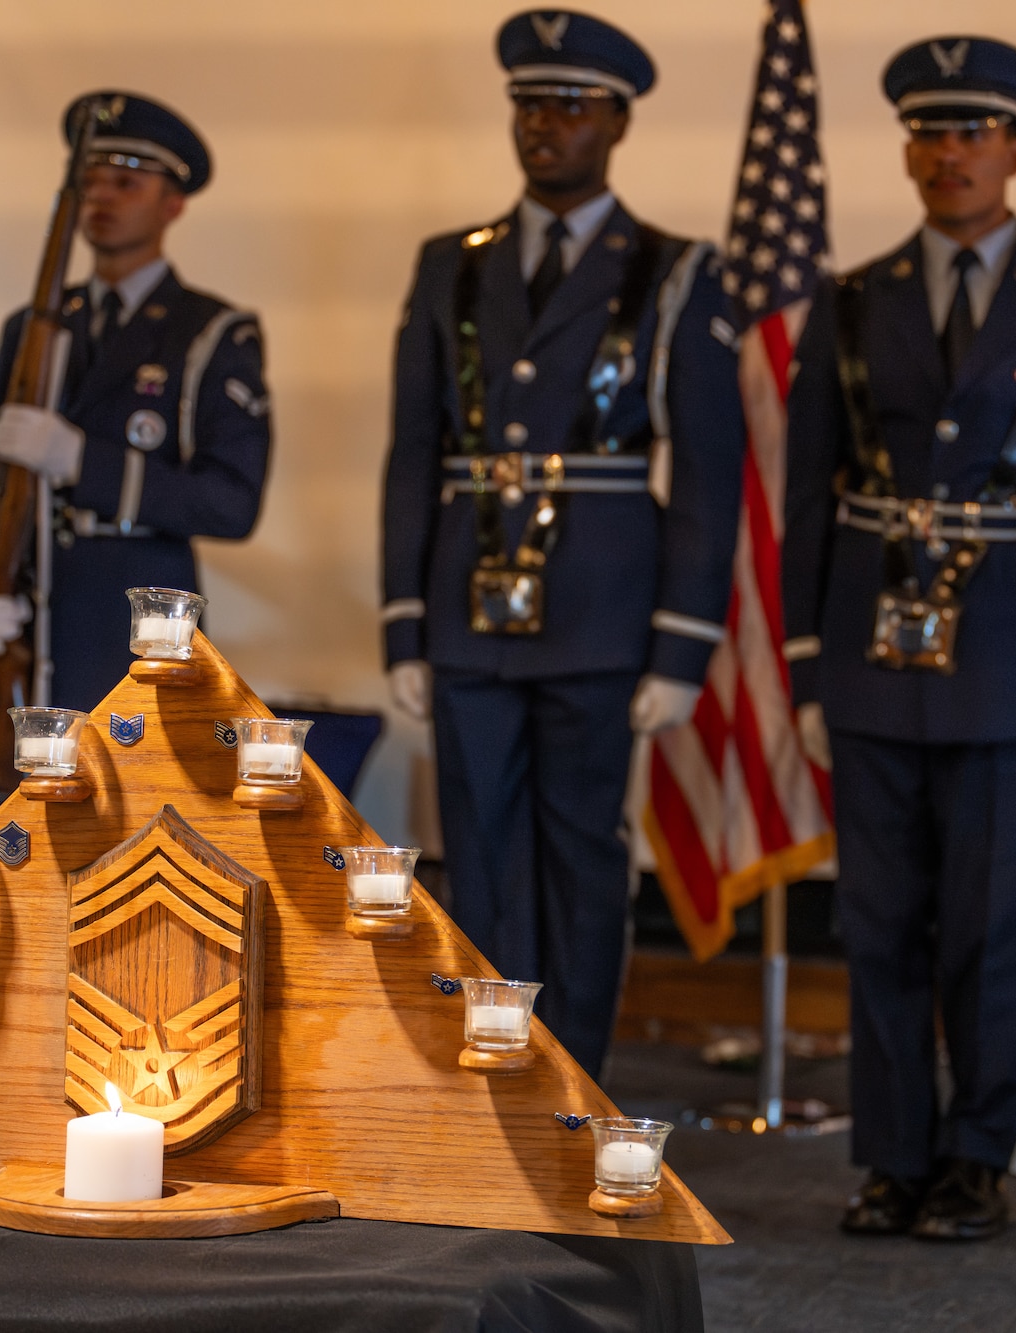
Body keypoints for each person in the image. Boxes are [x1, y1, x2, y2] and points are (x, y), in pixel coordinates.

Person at [780, 37, 1016, 1241]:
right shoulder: (847, 301)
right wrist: (801, 664)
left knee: (988, 925)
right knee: (878, 920)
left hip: (1006, 654)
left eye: (973, 133)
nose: (950, 155)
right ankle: (893, 1154)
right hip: (865, 649)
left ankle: (979, 1155)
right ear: (906, 153)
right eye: (930, 134)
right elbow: (804, 496)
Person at [380, 11, 745, 1078]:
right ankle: (490, 1072)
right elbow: (413, 451)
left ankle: (573, 1082)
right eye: (530, 104)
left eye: (572, 106)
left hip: (601, 609)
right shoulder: (450, 267)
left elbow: (708, 472)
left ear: (619, 124)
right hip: (467, 605)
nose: (545, 125)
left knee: (584, 851)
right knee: (479, 849)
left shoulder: (673, 270)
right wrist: (404, 619)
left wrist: (681, 646)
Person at [0, 92, 271, 713]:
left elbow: (231, 503)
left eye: (126, 183)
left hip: (144, 622)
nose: (101, 198)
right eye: (90, 182)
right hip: (38, 619)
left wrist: (83, 463)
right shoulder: (32, 328)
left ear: (172, 205)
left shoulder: (210, 331)